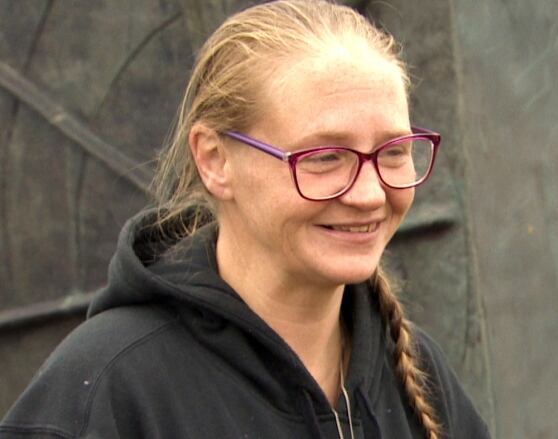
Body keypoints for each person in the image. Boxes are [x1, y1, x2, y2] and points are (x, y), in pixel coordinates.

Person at [0, 1, 490, 438]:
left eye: (394, 151)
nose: (369, 193)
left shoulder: (416, 374)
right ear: (215, 160)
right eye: (324, 157)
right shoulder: (108, 390)